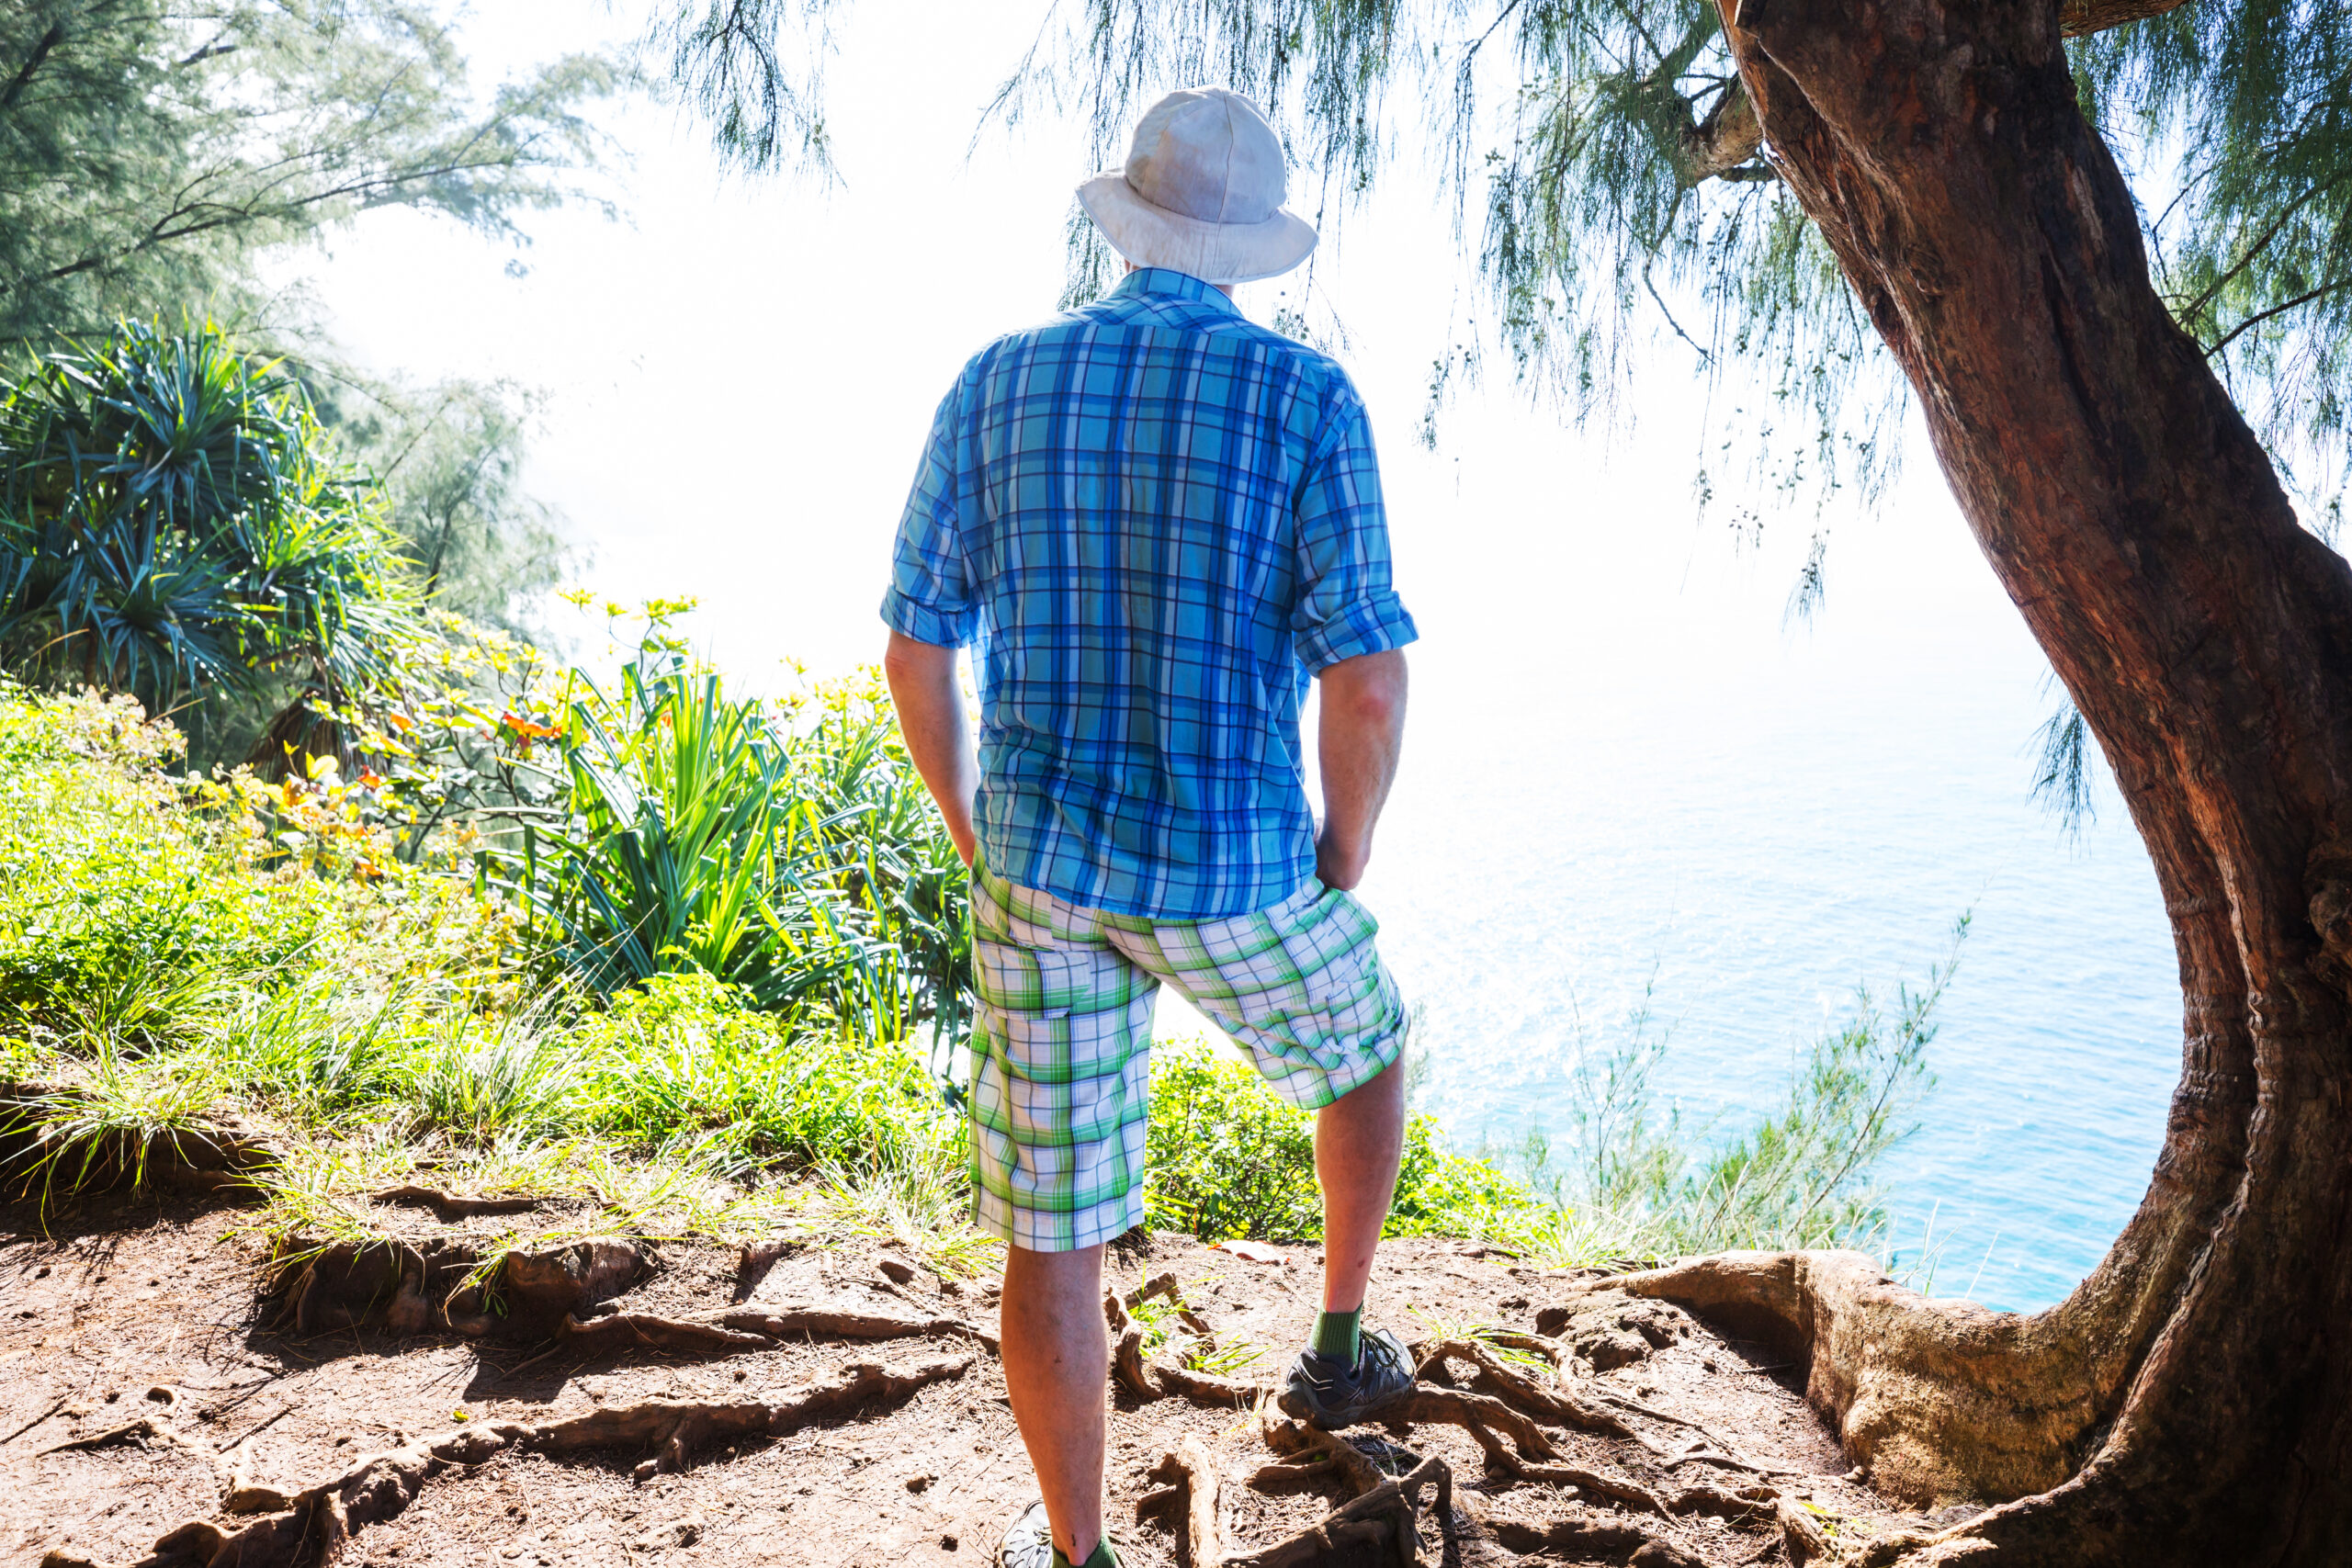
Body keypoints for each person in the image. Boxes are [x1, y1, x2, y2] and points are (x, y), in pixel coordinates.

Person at [879, 85, 1419, 1568]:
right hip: (1235, 864)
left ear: (1126, 220)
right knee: (1363, 1051)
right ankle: (1337, 1346)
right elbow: (1366, 678)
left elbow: (917, 651)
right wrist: (1346, 853)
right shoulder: (1309, 400)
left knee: (1049, 1232)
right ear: (1249, 249)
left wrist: (973, 829)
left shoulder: (998, 382)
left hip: (1040, 869)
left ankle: (1078, 1556)